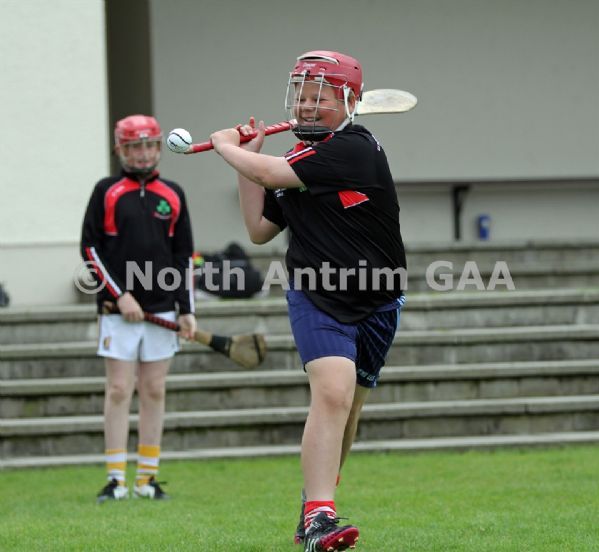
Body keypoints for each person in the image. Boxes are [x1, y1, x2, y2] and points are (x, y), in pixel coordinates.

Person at [209, 51, 407, 551]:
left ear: (349, 103)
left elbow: (271, 174)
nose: (307, 105)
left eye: (321, 97)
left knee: (349, 410)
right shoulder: (299, 158)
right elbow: (259, 229)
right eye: (302, 95)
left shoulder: (355, 147)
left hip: (378, 300)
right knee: (334, 393)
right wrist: (246, 159)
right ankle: (321, 517)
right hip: (315, 293)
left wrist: (227, 147)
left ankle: (314, 503)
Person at [80, 114, 196, 503]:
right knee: (118, 389)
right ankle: (116, 479)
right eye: (134, 147)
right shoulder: (106, 191)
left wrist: (186, 309)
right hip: (118, 310)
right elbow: (90, 249)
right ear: (120, 150)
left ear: (159, 147)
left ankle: (147, 479)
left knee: (154, 389)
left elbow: (183, 256)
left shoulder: (173, 193)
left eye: (149, 145)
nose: (143, 154)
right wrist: (121, 295)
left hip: (162, 310)